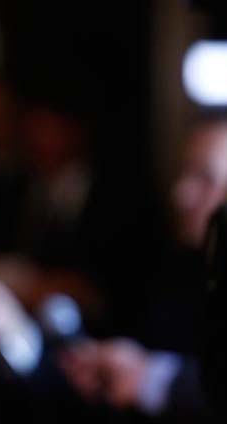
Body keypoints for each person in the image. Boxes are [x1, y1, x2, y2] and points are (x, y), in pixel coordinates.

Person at [60, 118, 227, 422]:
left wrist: (150, 378)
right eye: (184, 173)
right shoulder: (178, 269)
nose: (181, 193)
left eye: (205, 178)